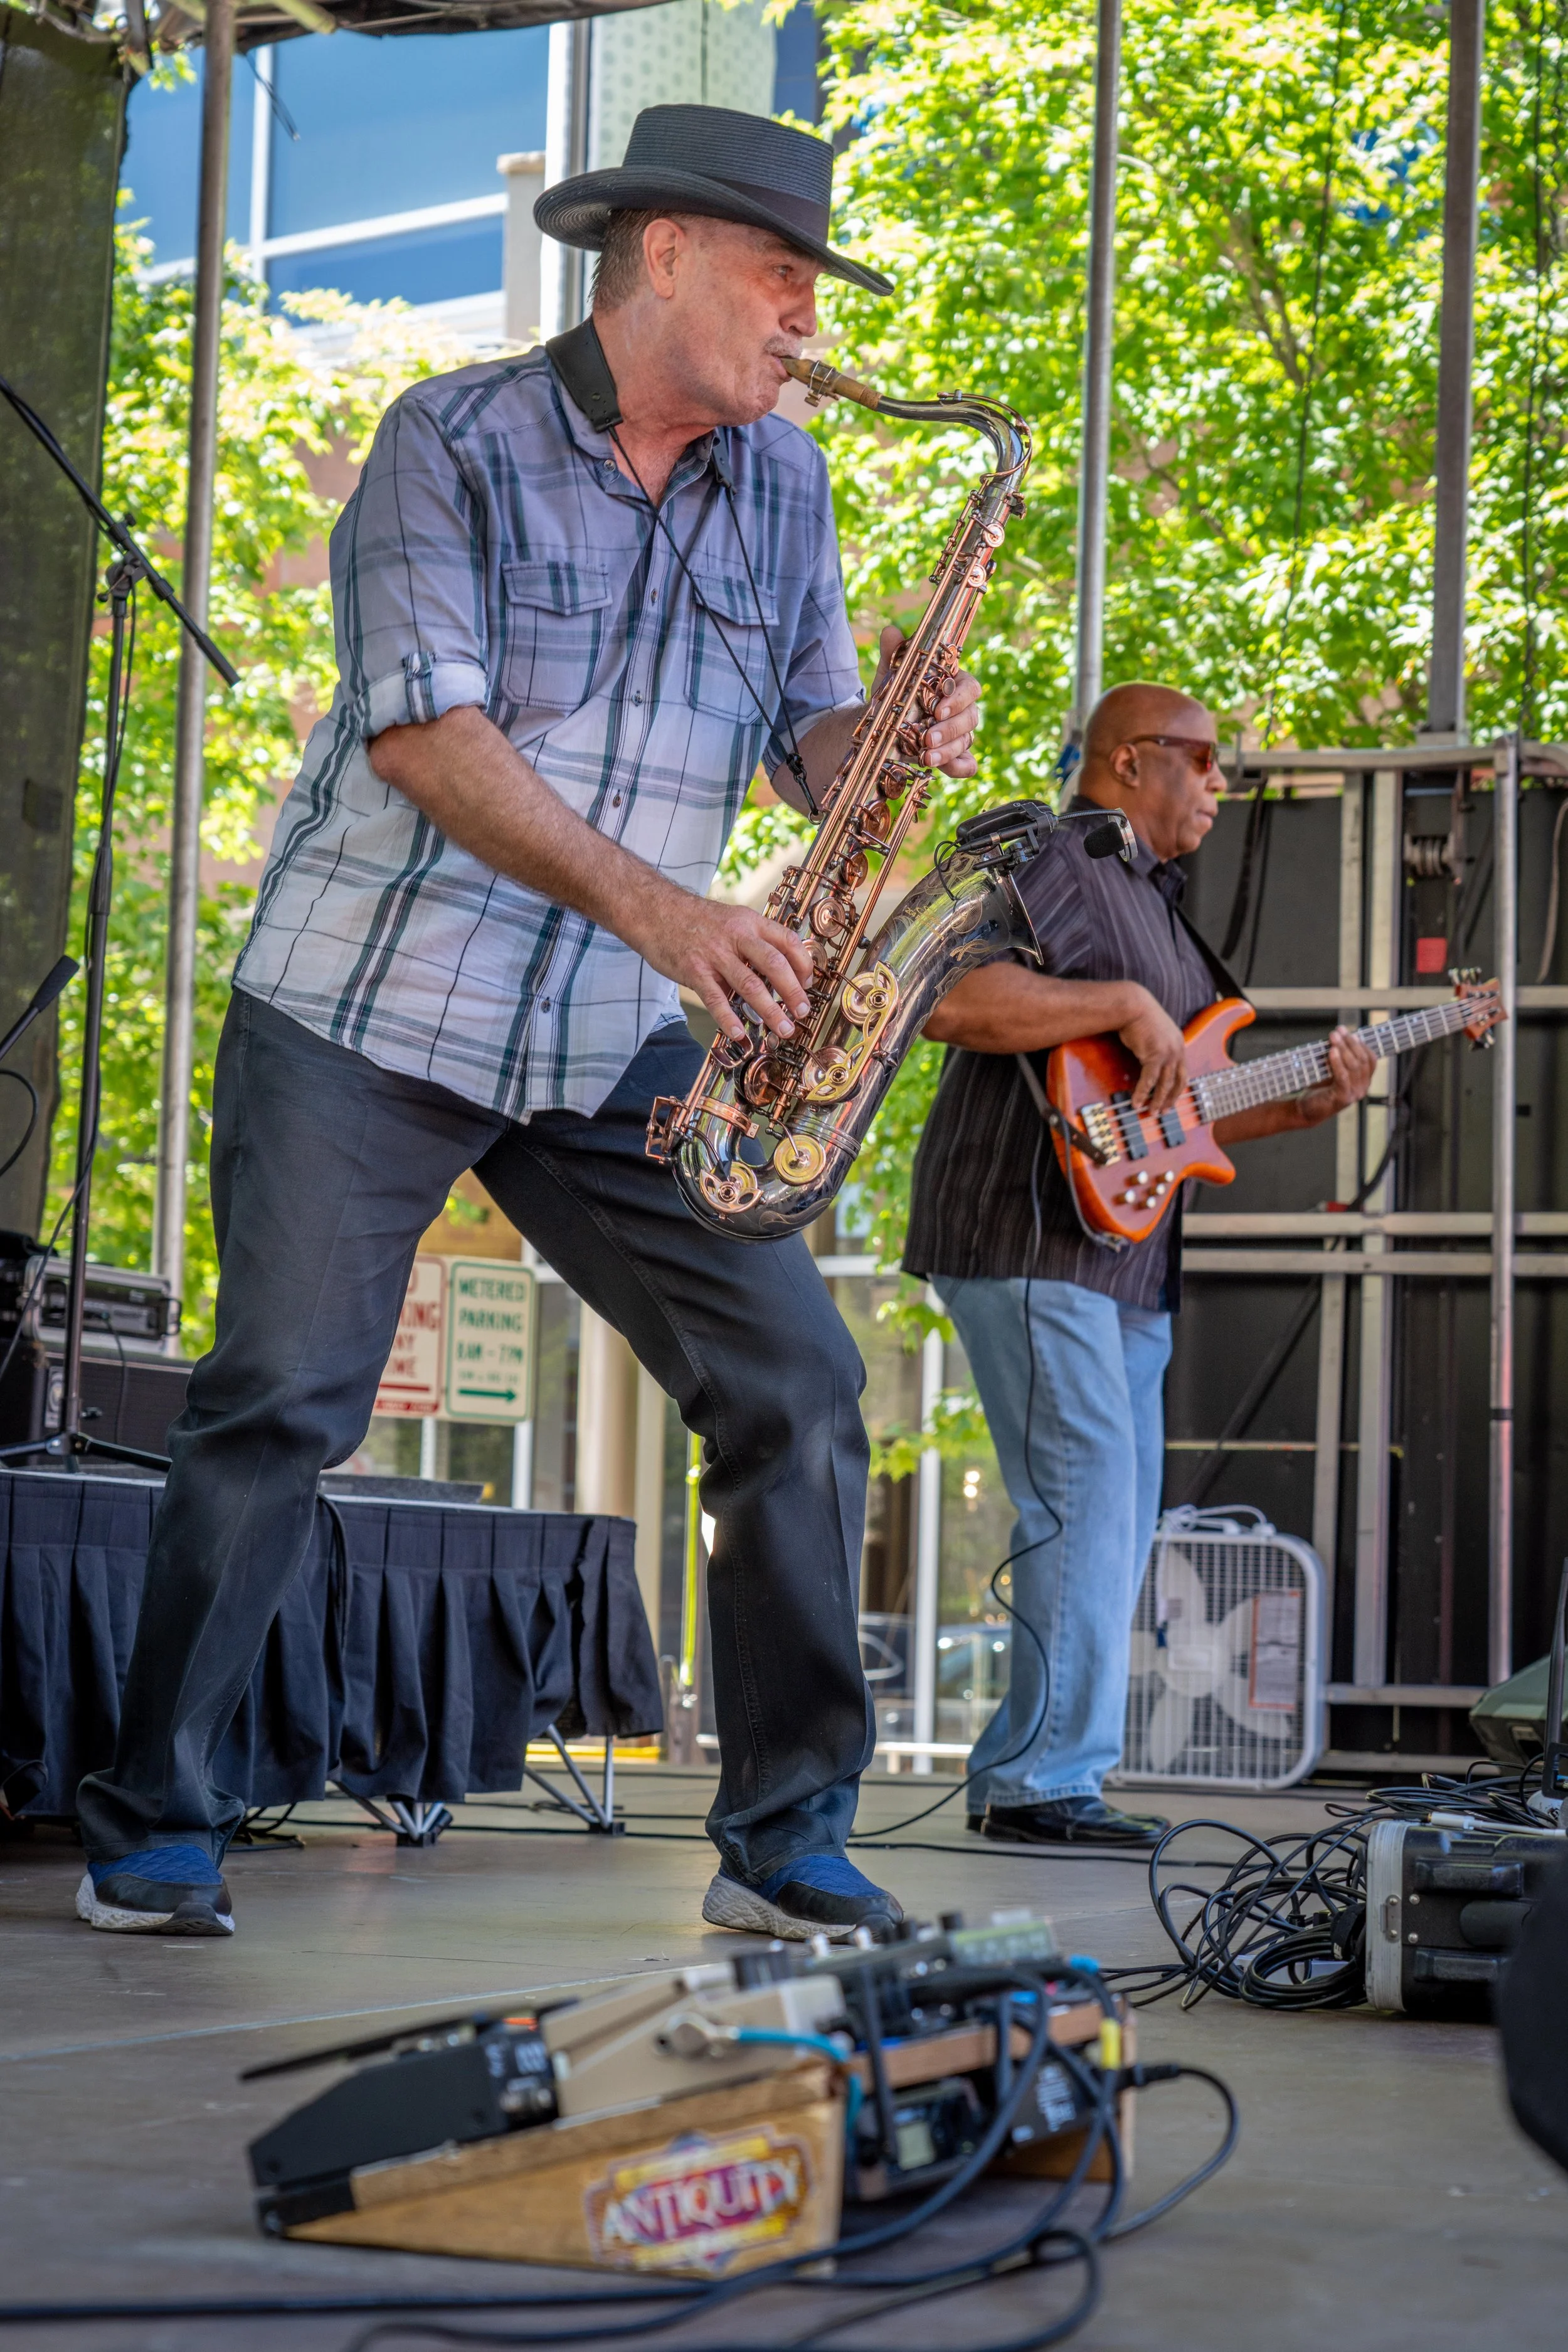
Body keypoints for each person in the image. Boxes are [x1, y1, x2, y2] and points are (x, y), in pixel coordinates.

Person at [73, 105, 985, 1942]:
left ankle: (787, 1836)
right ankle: (153, 1816)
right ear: (664, 252)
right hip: (369, 1002)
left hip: (607, 1033)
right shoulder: (451, 437)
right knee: (282, 1399)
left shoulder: (788, 485)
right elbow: (426, 735)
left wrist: (880, 739)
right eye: (784, 275)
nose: (809, 319)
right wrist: (670, 913)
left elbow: (806, 743)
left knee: (798, 1385)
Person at [904, 683, 1375, 1847]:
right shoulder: (1046, 852)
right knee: (1083, 1500)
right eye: (1203, 758)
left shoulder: (1160, 905)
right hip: (1026, 1228)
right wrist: (1119, 1002)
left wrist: (1303, 1104)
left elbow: (1179, 1114)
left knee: (1113, 1520)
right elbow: (941, 997)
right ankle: (1039, 1783)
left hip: (1127, 1260)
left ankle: (1044, 1770)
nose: (1222, 781)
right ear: (1126, 759)